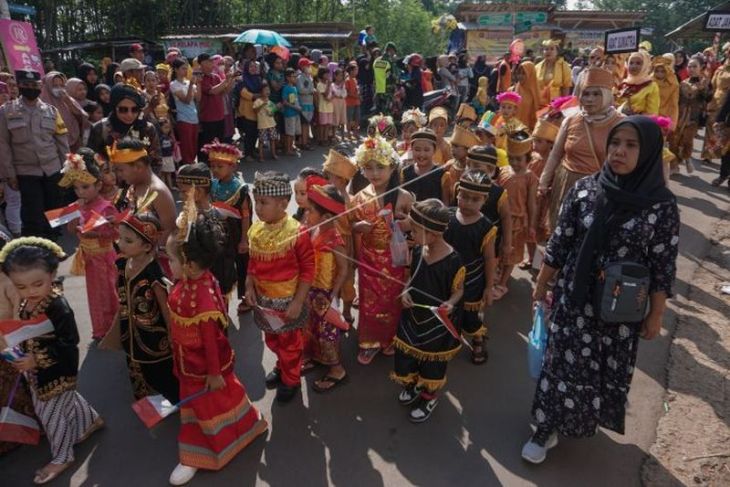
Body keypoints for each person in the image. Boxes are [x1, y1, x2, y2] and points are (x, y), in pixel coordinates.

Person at [524, 116, 679, 464]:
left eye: (631, 145)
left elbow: (662, 266)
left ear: (650, 152)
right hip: (574, 299)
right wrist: (541, 284)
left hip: (620, 309)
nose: (619, 151)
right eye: (615, 143)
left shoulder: (661, 206)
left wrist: (655, 314)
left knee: (598, 368)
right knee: (561, 364)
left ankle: (580, 418)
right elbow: (560, 243)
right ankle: (545, 426)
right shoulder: (585, 190)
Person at [165, 211, 268, 486]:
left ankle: (198, 453)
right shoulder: (193, 280)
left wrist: (213, 373)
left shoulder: (203, 297)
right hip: (188, 360)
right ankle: (248, 424)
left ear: (188, 263)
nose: (168, 265)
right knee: (222, 398)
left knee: (210, 404)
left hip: (204, 367)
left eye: (171, 260)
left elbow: (211, 339)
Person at [0, 237, 104, 484]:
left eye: (37, 284)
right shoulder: (30, 300)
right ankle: (90, 421)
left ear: (53, 273)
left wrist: (37, 359)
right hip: (34, 370)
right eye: (21, 287)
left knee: (50, 415)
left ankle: (62, 456)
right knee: (65, 403)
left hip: (55, 372)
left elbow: (69, 343)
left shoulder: (59, 306)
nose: (30, 292)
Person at [245, 171, 315, 403]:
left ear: (283, 203)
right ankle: (282, 365)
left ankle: (292, 379)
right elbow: (253, 262)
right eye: (257, 202)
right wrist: (249, 284)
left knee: (290, 343)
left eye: (264, 202)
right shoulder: (256, 230)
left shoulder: (297, 232)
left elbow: (308, 270)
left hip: (288, 301)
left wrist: (297, 301)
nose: (258, 208)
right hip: (264, 301)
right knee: (273, 340)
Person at [394, 199, 464, 423]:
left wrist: (451, 303)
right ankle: (414, 386)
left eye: (415, 229)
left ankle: (429, 397)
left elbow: (459, 290)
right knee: (407, 357)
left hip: (436, 323)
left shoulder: (454, 260)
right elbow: (410, 280)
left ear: (433, 233)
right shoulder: (417, 251)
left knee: (432, 365)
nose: (410, 232)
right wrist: (405, 292)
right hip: (412, 316)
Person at [350, 136, 414, 364]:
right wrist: (359, 227)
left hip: (395, 258)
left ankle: (390, 338)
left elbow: (416, 227)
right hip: (368, 258)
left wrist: (404, 224)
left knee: (392, 301)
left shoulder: (404, 196)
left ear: (392, 167)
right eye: (368, 168)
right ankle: (369, 342)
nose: (374, 173)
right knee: (369, 302)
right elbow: (351, 225)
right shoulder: (359, 197)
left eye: (380, 167)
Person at [539, 68, 623, 232]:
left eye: (596, 94)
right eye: (586, 94)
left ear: (607, 95)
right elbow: (556, 154)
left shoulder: (621, 124)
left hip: (602, 189)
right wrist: (543, 182)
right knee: (564, 233)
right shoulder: (571, 120)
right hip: (567, 185)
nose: (590, 99)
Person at [116, 207, 179, 403]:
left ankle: (175, 401)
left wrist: (171, 333)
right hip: (129, 328)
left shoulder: (153, 273)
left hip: (153, 335)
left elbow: (164, 305)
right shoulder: (123, 264)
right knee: (136, 365)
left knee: (158, 371)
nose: (120, 244)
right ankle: (148, 402)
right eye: (120, 238)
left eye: (128, 241)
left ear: (146, 246)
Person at [0, 70, 69, 239]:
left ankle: (54, 244)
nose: (31, 88)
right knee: (33, 213)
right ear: (20, 86)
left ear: (40, 86)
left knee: (54, 210)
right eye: (26, 85)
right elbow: (3, 145)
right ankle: (38, 248)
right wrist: (10, 174)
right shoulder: (6, 111)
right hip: (26, 171)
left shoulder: (52, 111)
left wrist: (67, 169)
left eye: (34, 85)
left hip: (53, 169)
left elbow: (61, 141)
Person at [60, 149, 119, 340]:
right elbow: (71, 231)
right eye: (76, 188)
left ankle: (113, 329)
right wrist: (72, 219)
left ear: (98, 184)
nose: (80, 192)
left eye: (85, 187)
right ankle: (100, 329)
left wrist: (89, 232)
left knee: (109, 293)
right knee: (94, 294)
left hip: (105, 257)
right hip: (89, 257)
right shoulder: (80, 206)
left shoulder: (106, 207)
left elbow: (114, 234)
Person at [443, 170, 497, 364]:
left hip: (473, 279)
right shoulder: (446, 215)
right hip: (447, 275)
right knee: (448, 309)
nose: (467, 202)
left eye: (475, 199)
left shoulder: (486, 227)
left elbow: (490, 259)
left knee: (471, 315)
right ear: (457, 192)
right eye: (464, 196)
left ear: (485, 200)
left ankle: (477, 338)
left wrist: (489, 287)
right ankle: (450, 336)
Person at [301, 182, 349, 392]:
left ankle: (337, 369)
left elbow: (344, 269)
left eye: (310, 210)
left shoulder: (335, 239)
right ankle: (317, 358)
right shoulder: (315, 229)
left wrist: (334, 295)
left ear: (327, 217)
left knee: (327, 332)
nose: (305, 213)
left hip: (326, 294)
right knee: (312, 328)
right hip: (311, 291)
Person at [107, 137, 176, 261]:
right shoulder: (133, 185)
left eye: (121, 170)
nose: (119, 175)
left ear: (138, 166)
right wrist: (119, 221)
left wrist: (147, 257)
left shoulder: (158, 192)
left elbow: (168, 231)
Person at [0, 227, 36, 457]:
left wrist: (11, 343)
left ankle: (19, 432)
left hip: (8, 346)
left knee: (13, 392)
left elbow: (18, 316)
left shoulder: (10, 282)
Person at [206, 140, 252, 315]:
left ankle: (246, 297)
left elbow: (246, 216)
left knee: (242, 265)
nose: (215, 170)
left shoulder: (240, 189)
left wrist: (243, 240)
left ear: (232, 167)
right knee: (222, 265)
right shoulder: (214, 184)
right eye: (213, 166)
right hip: (220, 231)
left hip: (237, 231)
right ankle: (222, 295)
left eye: (220, 166)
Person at [494, 132, 537, 300]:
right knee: (499, 249)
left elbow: (532, 203)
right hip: (499, 219)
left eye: (519, 159)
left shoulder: (531, 178)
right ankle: (497, 276)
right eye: (511, 158)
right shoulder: (502, 172)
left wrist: (532, 225)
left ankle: (503, 283)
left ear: (528, 160)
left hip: (518, 222)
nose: (515, 163)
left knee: (512, 254)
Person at [87, 84, 162, 172]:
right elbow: (92, 159)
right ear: (114, 108)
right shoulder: (100, 128)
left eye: (134, 109)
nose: (129, 115)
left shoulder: (147, 129)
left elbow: (156, 161)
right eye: (123, 110)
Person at [321, 148, 358, 323]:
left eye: (329, 177)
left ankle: (347, 310)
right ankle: (328, 310)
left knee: (347, 280)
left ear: (342, 180)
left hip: (345, 245)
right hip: (325, 243)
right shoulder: (323, 195)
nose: (325, 180)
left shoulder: (351, 200)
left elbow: (353, 225)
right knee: (327, 278)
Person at [525, 118, 559, 265]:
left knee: (540, 233)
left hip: (544, 204)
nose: (534, 145)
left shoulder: (555, 162)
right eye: (534, 140)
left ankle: (539, 263)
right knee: (527, 231)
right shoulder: (531, 158)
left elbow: (556, 182)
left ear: (551, 144)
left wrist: (547, 190)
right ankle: (531, 257)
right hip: (529, 200)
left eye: (539, 141)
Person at [670, 56, 710, 175]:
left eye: (694, 66)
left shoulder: (705, 82)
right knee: (674, 140)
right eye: (689, 66)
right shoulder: (683, 82)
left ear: (701, 67)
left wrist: (703, 89)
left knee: (687, 141)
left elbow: (708, 99)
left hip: (694, 118)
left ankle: (687, 158)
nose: (691, 69)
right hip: (680, 115)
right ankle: (675, 165)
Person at [197, 53, 235, 161]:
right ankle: (205, 167)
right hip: (208, 118)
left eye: (211, 62)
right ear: (201, 64)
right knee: (207, 146)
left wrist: (231, 79)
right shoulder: (201, 79)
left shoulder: (216, 77)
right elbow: (213, 91)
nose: (210, 65)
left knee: (219, 143)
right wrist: (225, 80)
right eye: (207, 62)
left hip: (220, 116)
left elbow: (225, 91)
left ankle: (218, 164)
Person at [40, 71, 88, 153]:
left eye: (61, 86)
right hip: (54, 147)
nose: (59, 88)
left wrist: (68, 101)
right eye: (55, 86)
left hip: (74, 144)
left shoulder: (68, 99)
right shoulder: (41, 104)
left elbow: (82, 117)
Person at [400, 128, 449, 205]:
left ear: (434, 150)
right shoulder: (405, 173)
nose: (421, 154)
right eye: (417, 149)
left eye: (426, 150)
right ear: (411, 149)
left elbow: (445, 203)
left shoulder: (442, 174)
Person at [444, 125, 481, 205]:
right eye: (452, 145)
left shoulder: (475, 171)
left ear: (468, 149)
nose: (452, 149)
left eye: (456, 146)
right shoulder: (449, 166)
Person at [233, 60, 262, 161]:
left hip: (257, 110)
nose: (253, 68)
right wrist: (255, 95)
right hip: (246, 110)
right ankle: (247, 154)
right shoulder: (242, 79)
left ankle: (252, 151)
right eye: (251, 67)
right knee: (248, 134)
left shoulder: (258, 79)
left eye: (255, 66)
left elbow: (263, 91)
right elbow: (244, 93)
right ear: (246, 68)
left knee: (255, 133)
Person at [616, 51, 660, 116]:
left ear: (645, 65)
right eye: (631, 63)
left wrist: (634, 115)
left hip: (638, 124)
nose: (633, 66)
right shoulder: (624, 84)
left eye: (638, 63)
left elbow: (652, 113)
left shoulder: (651, 86)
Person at [535, 40, 573, 106]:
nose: (548, 51)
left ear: (557, 52)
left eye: (552, 49)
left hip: (556, 102)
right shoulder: (537, 67)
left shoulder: (563, 66)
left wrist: (563, 104)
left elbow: (566, 87)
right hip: (541, 103)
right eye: (546, 49)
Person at [253, 83, 279, 160]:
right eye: (265, 90)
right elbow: (255, 110)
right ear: (261, 92)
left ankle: (273, 154)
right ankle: (261, 156)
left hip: (271, 124)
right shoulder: (258, 101)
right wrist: (262, 105)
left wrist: (275, 109)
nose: (267, 91)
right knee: (261, 141)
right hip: (262, 125)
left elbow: (272, 113)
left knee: (272, 139)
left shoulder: (270, 101)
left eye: (268, 90)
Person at [513, 61, 541, 131]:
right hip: (514, 129)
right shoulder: (514, 89)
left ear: (531, 74)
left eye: (524, 73)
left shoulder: (536, 92)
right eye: (519, 73)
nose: (520, 76)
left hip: (529, 130)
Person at [653, 55, 680, 129]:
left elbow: (674, 105)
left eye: (662, 71)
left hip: (664, 118)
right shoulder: (649, 82)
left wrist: (672, 123)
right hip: (649, 116)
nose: (659, 73)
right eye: (657, 71)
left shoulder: (673, 84)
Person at [297, 58, 315, 150]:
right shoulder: (300, 77)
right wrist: (310, 91)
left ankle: (306, 140)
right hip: (303, 103)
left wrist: (312, 91)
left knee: (307, 123)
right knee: (304, 124)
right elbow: (300, 90)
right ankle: (303, 143)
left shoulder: (309, 77)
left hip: (310, 103)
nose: (309, 67)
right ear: (303, 67)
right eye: (308, 65)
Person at [316, 68, 334, 145]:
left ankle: (326, 138)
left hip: (330, 107)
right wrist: (329, 85)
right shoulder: (320, 85)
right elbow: (325, 95)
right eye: (325, 74)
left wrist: (331, 98)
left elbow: (333, 94)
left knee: (328, 124)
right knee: (322, 125)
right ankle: (321, 139)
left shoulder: (329, 84)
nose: (327, 75)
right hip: (323, 108)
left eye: (328, 73)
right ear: (321, 75)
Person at [331, 68, 348, 140]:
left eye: (342, 76)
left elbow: (345, 94)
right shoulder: (332, 85)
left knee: (342, 119)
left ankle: (343, 136)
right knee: (335, 118)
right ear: (335, 76)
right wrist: (339, 94)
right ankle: (334, 135)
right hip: (335, 103)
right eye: (340, 75)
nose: (341, 77)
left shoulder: (343, 85)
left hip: (342, 103)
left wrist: (340, 95)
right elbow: (335, 93)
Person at [345, 63, 361, 138]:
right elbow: (347, 92)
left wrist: (358, 95)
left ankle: (355, 133)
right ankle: (348, 133)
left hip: (356, 102)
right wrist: (356, 96)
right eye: (356, 70)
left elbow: (356, 90)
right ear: (351, 71)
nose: (357, 71)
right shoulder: (347, 80)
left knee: (357, 118)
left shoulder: (355, 80)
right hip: (349, 103)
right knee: (349, 119)